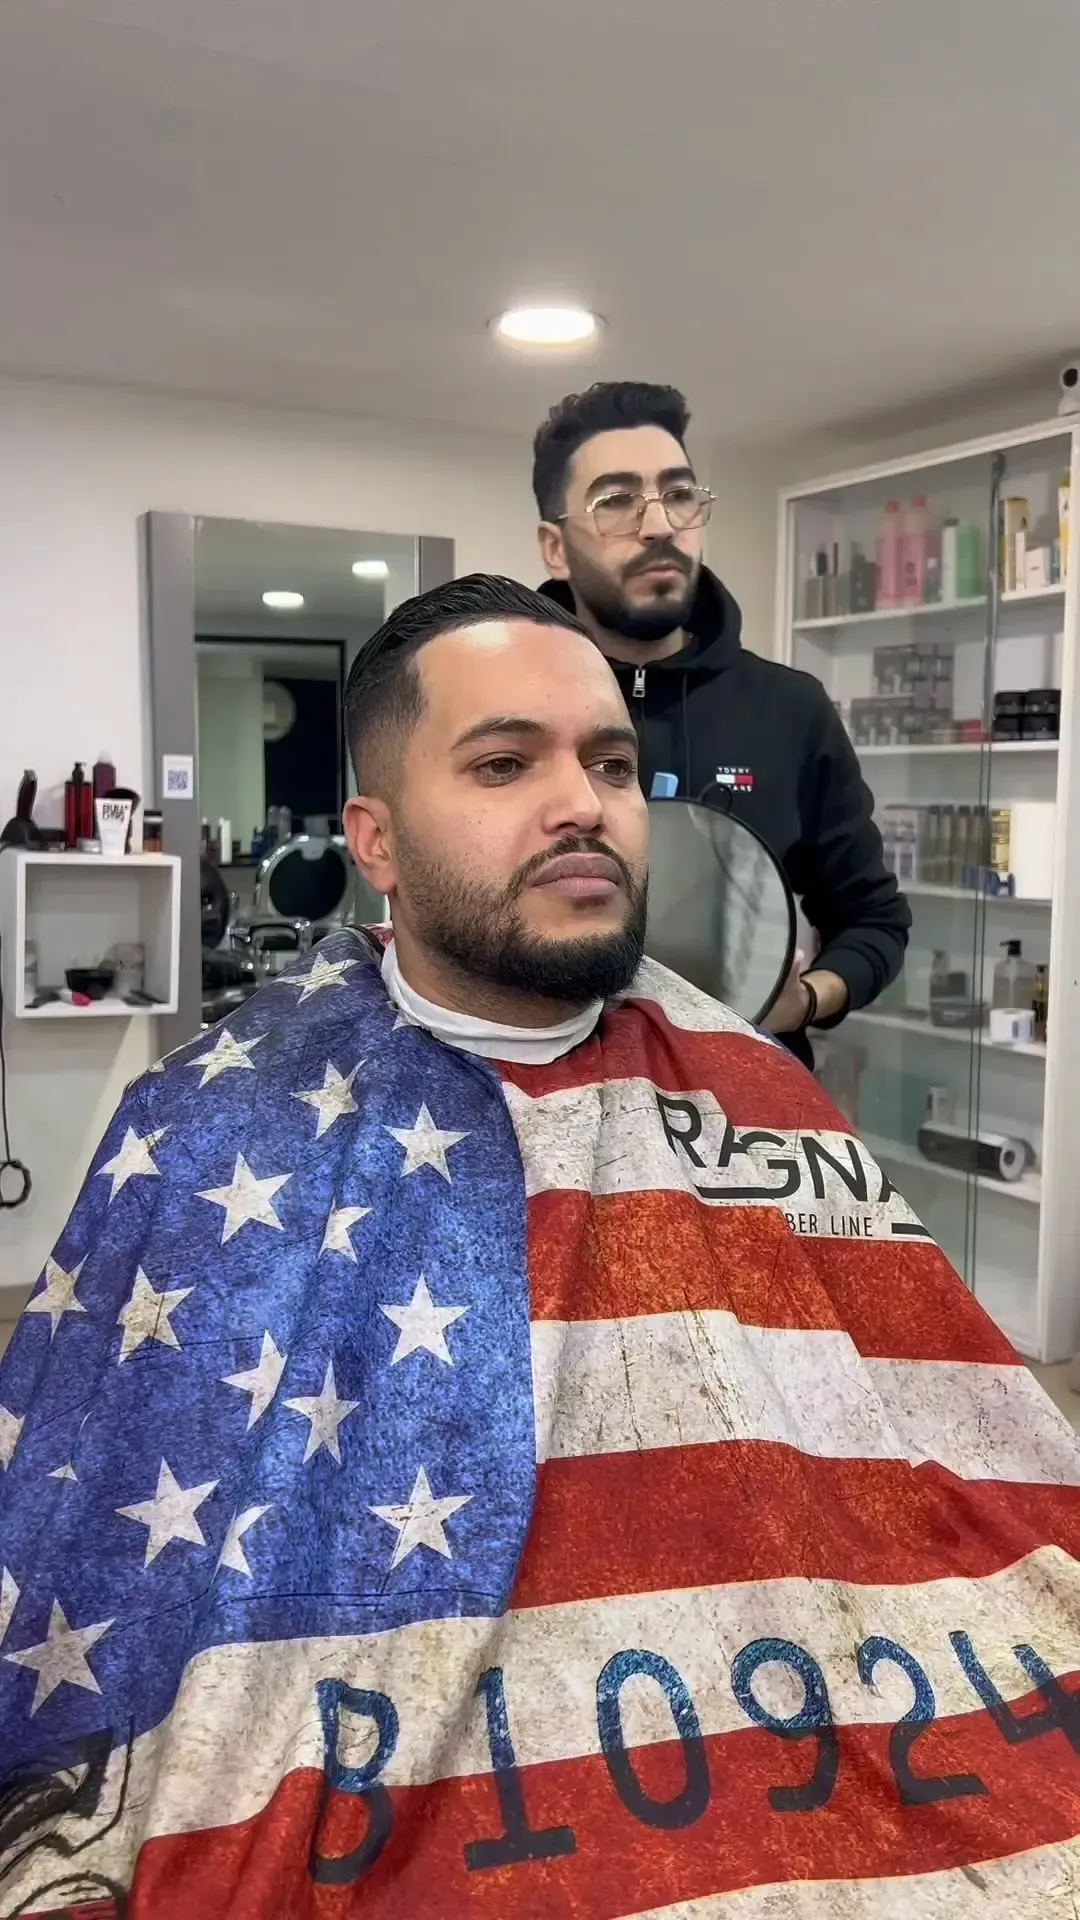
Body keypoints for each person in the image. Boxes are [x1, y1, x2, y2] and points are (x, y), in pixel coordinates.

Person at [1, 574, 1078, 1920]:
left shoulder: (759, 1093)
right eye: (505, 762)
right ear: (375, 840)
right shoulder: (216, 1126)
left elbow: (942, 1434)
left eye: (613, 764)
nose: (585, 802)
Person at [533, 379, 912, 1063]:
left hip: (746, 1105)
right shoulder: (511, 707)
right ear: (554, 546)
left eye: (679, 494)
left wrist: (810, 996)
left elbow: (875, 922)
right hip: (550, 1097)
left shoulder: (789, 709)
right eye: (617, 501)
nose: (659, 525)